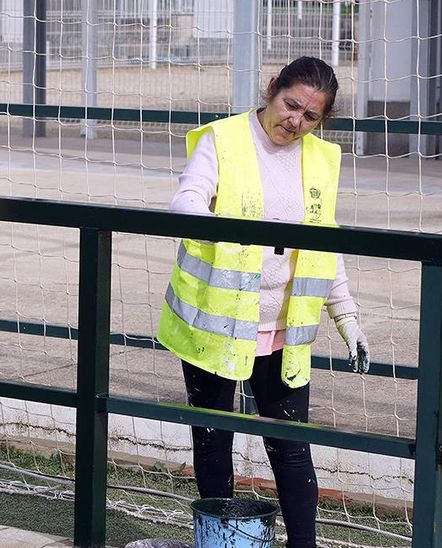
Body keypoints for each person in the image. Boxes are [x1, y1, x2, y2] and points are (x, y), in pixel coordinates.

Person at [157, 56, 370, 547]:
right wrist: (226, 227)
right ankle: (220, 543)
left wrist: (348, 319)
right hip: (216, 325)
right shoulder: (224, 140)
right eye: (290, 105)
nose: (295, 122)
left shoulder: (320, 160)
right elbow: (186, 201)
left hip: (283, 331)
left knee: (291, 447)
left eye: (310, 116)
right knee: (214, 441)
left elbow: (324, 249)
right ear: (272, 88)